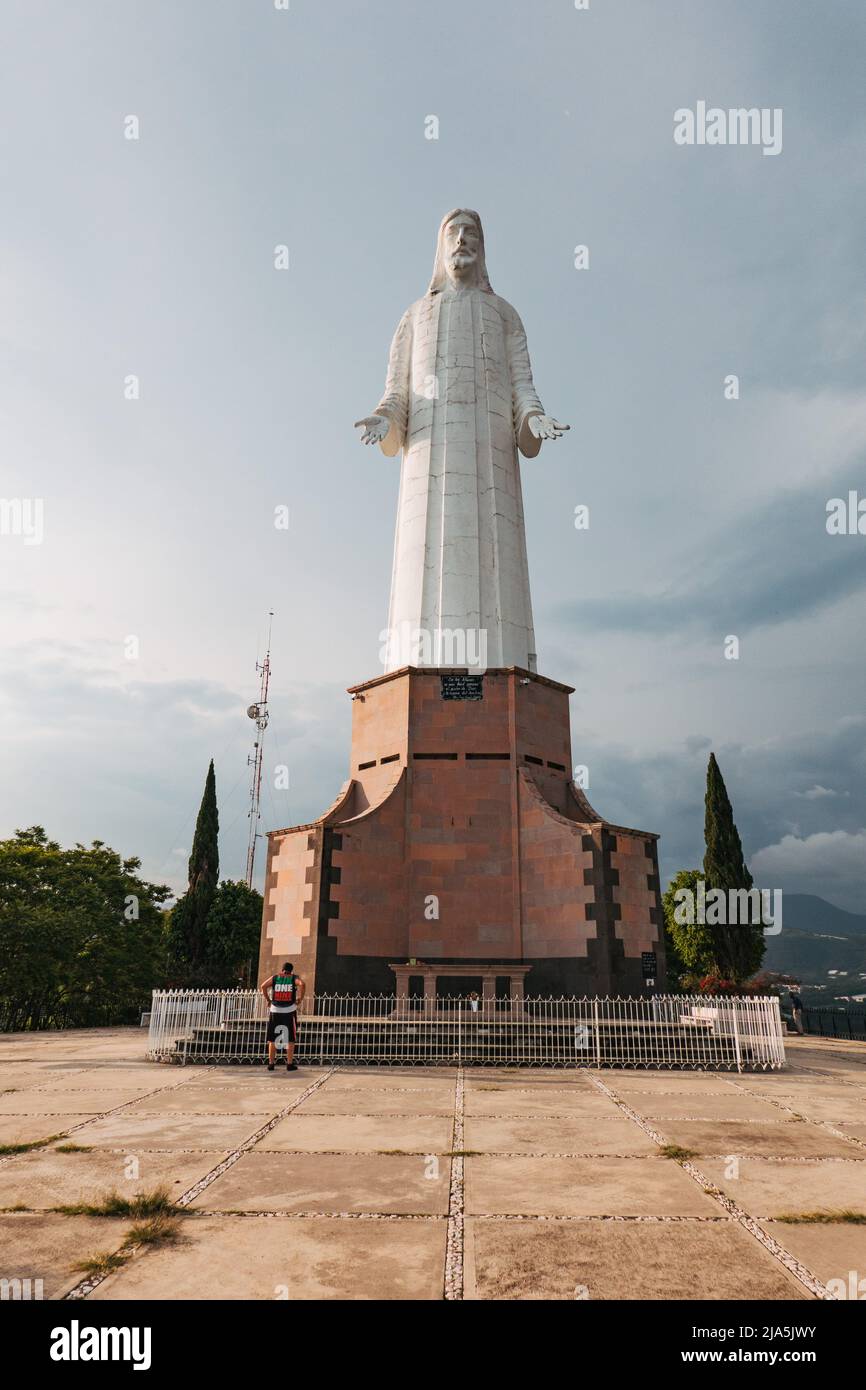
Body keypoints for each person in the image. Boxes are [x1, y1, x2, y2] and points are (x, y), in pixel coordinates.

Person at [260, 962, 306, 1071]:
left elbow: (263, 986)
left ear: (282, 970)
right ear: (291, 971)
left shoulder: (275, 978)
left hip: (275, 1010)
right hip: (289, 1011)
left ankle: (271, 1063)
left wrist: (268, 999)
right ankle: (289, 1064)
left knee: (272, 1038)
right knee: (290, 1038)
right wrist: (300, 998)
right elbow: (302, 984)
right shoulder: (293, 978)